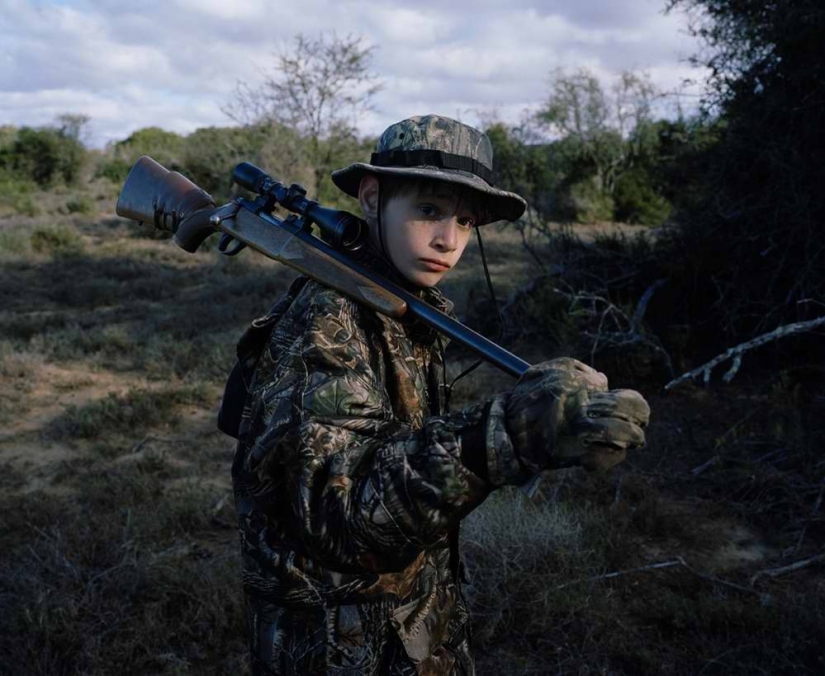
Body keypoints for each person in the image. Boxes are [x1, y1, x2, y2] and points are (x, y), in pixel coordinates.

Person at [229, 114, 650, 675]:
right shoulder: (329, 318)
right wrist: (506, 434)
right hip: (340, 654)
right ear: (372, 198)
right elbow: (342, 519)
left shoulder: (402, 308)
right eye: (429, 209)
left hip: (409, 637)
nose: (449, 240)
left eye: (466, 221)